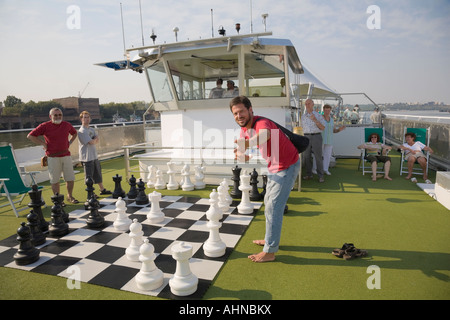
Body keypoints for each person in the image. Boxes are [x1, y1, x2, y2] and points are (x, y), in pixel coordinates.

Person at [230, 96, 300, 263]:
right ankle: (270, 240)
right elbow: (244, 154)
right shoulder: (243, 130)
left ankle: (270, 251)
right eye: (235, 113)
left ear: (250, 110)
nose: (239, 116)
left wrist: (247, 145)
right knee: (269, 204)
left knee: (274, 207)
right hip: (274, 166)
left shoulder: (261, 123)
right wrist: (241, 154)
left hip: (287, 166)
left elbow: (265, 135)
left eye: (241, 112)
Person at [27, 107, 79, 204]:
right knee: (55, 180)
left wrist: (70, 142)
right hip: (52, 157)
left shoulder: (67, 125)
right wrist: (43, 144)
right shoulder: (45, 126)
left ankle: (70, 196)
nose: (58, 117)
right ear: (50, 116)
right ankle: (58, 199)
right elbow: (30, 136)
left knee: (70, 178)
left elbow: (74, 133)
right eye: (55, 115)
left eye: (60, 115)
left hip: (66, 155)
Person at [78, 111, 112, 195]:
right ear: (81, 119)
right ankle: (90, 193)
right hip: (86, 157)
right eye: (84, 117)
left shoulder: (91, 129)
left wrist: (94, 140)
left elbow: (96, 139)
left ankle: (102, 189)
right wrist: (94, 140)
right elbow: (90, 142)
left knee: (98, 173)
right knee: (89, 176)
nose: (86, 119)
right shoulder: (81, 131)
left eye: (88, 117)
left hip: (94, 155)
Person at [301, 99, 326, 182]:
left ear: (313, 105)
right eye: (306, 104)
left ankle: (321, 176)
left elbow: (323, 128)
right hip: (306, 137)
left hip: (316, 137)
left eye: (309, 104)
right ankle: (309, 174)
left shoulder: (318, 115)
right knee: (306, 157)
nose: (307, 105)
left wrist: (315, 120)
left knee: (318, 157)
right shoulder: (303, 116)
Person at [321, 104, 345, 175]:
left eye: (328, 110)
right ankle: (315, 169)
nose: (327, 112)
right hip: (321, 139)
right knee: (318, 155)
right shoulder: (320, 118)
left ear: (330, 111)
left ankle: (325, 169)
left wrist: (339, 129)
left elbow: (333, 130)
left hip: (329, 140)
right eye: (326, 110)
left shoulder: (331, 120)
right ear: (323, 110)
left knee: (328, 155)